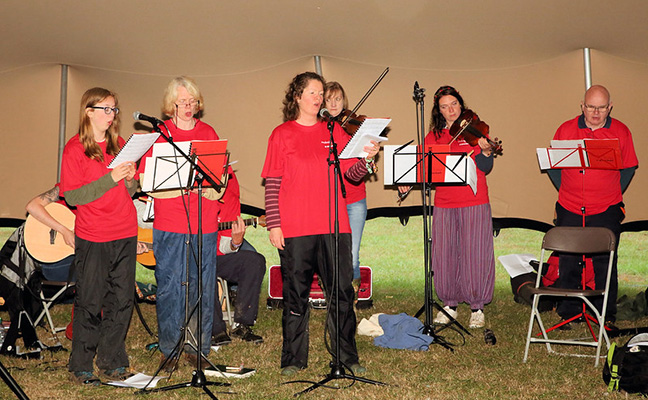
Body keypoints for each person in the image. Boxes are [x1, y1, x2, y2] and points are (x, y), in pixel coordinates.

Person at [261, 72, 379, 377]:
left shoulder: (334, 130)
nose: (318, 98)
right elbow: (272, 183)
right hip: (296, 228)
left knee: (341, 292)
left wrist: (366, 159)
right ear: (298, 97)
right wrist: (275, 224)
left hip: (335, 226)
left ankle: (345, 356)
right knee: (295, 296)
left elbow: (352, 174)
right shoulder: (281, 134)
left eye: (320, 93)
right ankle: (293, 359)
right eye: (312, 93)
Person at [137, 76, 221, 371]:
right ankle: (169, 349)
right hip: (170, 223)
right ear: (170, 105)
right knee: (171, 287)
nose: (188, 107)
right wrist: (180, 185)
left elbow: (220, 181)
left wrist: (211, 186)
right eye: (182, 102)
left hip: (204, 224)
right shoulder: (159, 135)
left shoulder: (209, 133)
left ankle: (198, 347)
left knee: (201, 286)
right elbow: (145, 181)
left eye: (192, 101)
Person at [60, 87, 139, 385]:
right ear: (88, 111)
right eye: (105, 109)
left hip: (125, 230)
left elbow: (129, 191)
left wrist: (130, 180)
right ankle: (80, 364)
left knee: (121, 299)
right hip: (94, 234)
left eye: (114, 109)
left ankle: (112, 360)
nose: (111, 115)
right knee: (91, 301)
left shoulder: (119, 147)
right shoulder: (74, 149)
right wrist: (111, 178)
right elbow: (74, 196)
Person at [400, 85, 496, 329]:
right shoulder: (434, 136)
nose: (450, 110)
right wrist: (408, 183)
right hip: (444, 202)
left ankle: (476, 306)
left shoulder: (475, 131)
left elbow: (485, 168)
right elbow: (422, 165)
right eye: (444, 106)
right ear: (438, 111)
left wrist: (486, 152)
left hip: (474, 200)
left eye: (454, 104)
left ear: (461, 105)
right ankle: (450, 303)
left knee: (475, 253)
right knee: (444, 253)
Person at [548, 84, 638, 329]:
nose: (596, 113)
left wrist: (612, 192)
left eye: (601, 108)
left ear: (610, 107)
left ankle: (604, 314)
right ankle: (569, 312)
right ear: (582, 106)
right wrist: (567, 189)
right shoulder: (566, 129)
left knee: (605, 262)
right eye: (590, 107)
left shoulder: (621, 131)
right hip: (569, 205)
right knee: (567, 260)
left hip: (606, 208)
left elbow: (629, 167)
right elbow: (553, 167)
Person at [211, 169, 265, 346]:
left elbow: (225, 247)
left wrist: (235, 242)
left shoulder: (229, 193)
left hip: (217, 256)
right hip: (189, 255)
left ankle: (242, 324)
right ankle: (215, 330)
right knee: (202, 265)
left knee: (254, 261)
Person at [324, 82, 367, 297]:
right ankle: (334, 294)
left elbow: (360, 168)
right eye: (329, 99)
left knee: (352, 253)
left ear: (344, 102)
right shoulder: (319, 128)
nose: (333, 103)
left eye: (338, 99)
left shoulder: (353, 128)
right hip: (328, 201)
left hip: (354, 200)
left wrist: (368, 153)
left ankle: (353, 296)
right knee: (330, 252)